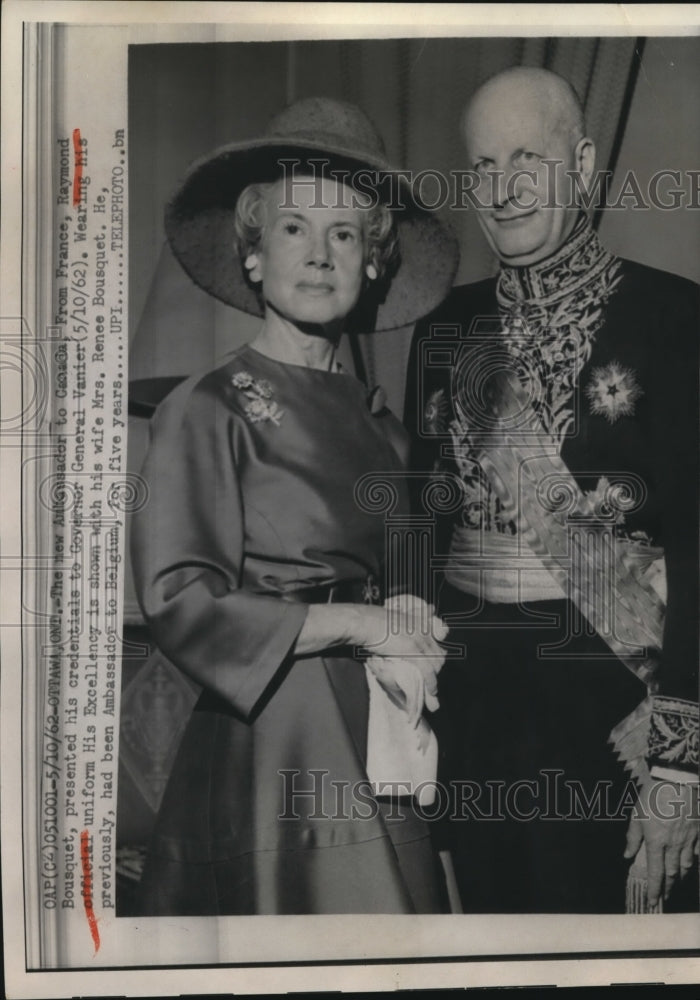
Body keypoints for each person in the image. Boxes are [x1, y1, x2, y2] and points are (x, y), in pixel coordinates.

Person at [131, 97, 460, 915]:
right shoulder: (207, 407)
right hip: (271, 743)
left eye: (344, 234)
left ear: (372, 262)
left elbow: (398, 580)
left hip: (380, 736)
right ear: (253, 256)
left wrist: (408, 618)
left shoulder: (386, 428)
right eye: (293, 230)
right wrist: (357, 624)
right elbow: (181, 603)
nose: (319, 255)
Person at [405, 67, 699, 914]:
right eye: (483, 166)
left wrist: (680, 763)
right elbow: (424, 532)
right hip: (477, 719)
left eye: (526, 158)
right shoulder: (444, 328)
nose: (502, 189)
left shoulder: (675, 319)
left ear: (583, 162)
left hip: (616, 721)